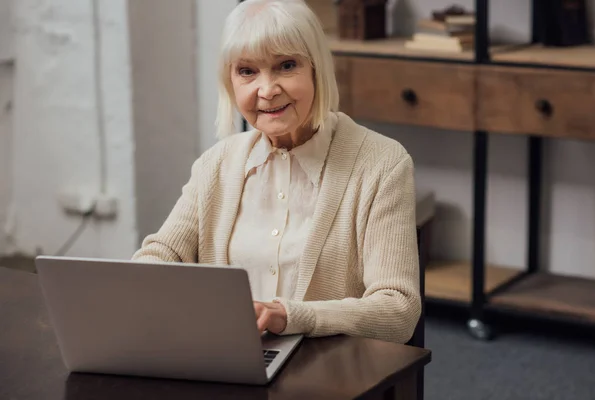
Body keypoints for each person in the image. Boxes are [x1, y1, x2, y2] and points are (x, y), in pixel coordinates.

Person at [132, 0, 421, 344]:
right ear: (230, 82)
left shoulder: (382, 164)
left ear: (317, 69)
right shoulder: (217, 163)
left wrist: (292, 316)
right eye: (247, 71)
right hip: (223, 356)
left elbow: (398, 310)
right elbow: (161, 253)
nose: (267, 90)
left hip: (329, 368)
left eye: (286, 66)